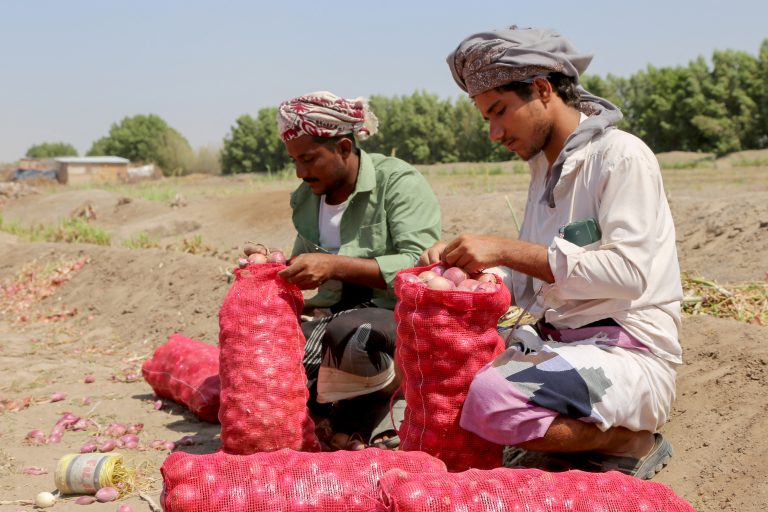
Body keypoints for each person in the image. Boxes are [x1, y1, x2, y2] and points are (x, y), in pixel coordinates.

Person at [420, 26, 682, 479]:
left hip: (625, 355)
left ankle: (630, 440)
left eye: (499, 111)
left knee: (491, 400)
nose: (494, 133)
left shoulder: (620, 157)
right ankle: (559, 436)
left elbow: (627, 273)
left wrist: (504, 248)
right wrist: (466, 275)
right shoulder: (545, 171)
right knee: (452, 374)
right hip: (558, 344)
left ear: (542, 89)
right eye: (486, 117)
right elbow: (526, 284)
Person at [248, 91, 441, 449]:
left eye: (308, 159)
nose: (300, 172)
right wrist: (270, 267)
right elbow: (306, 267)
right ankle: (329, 414)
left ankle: (369, 415)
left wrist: (334, 265)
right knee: (269, 361)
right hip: (332, 317)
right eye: (294, 161)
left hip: (394, 315)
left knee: (355, 333)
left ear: (344, 148)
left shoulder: (397, 182)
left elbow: (420, 262)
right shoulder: (307, 198)